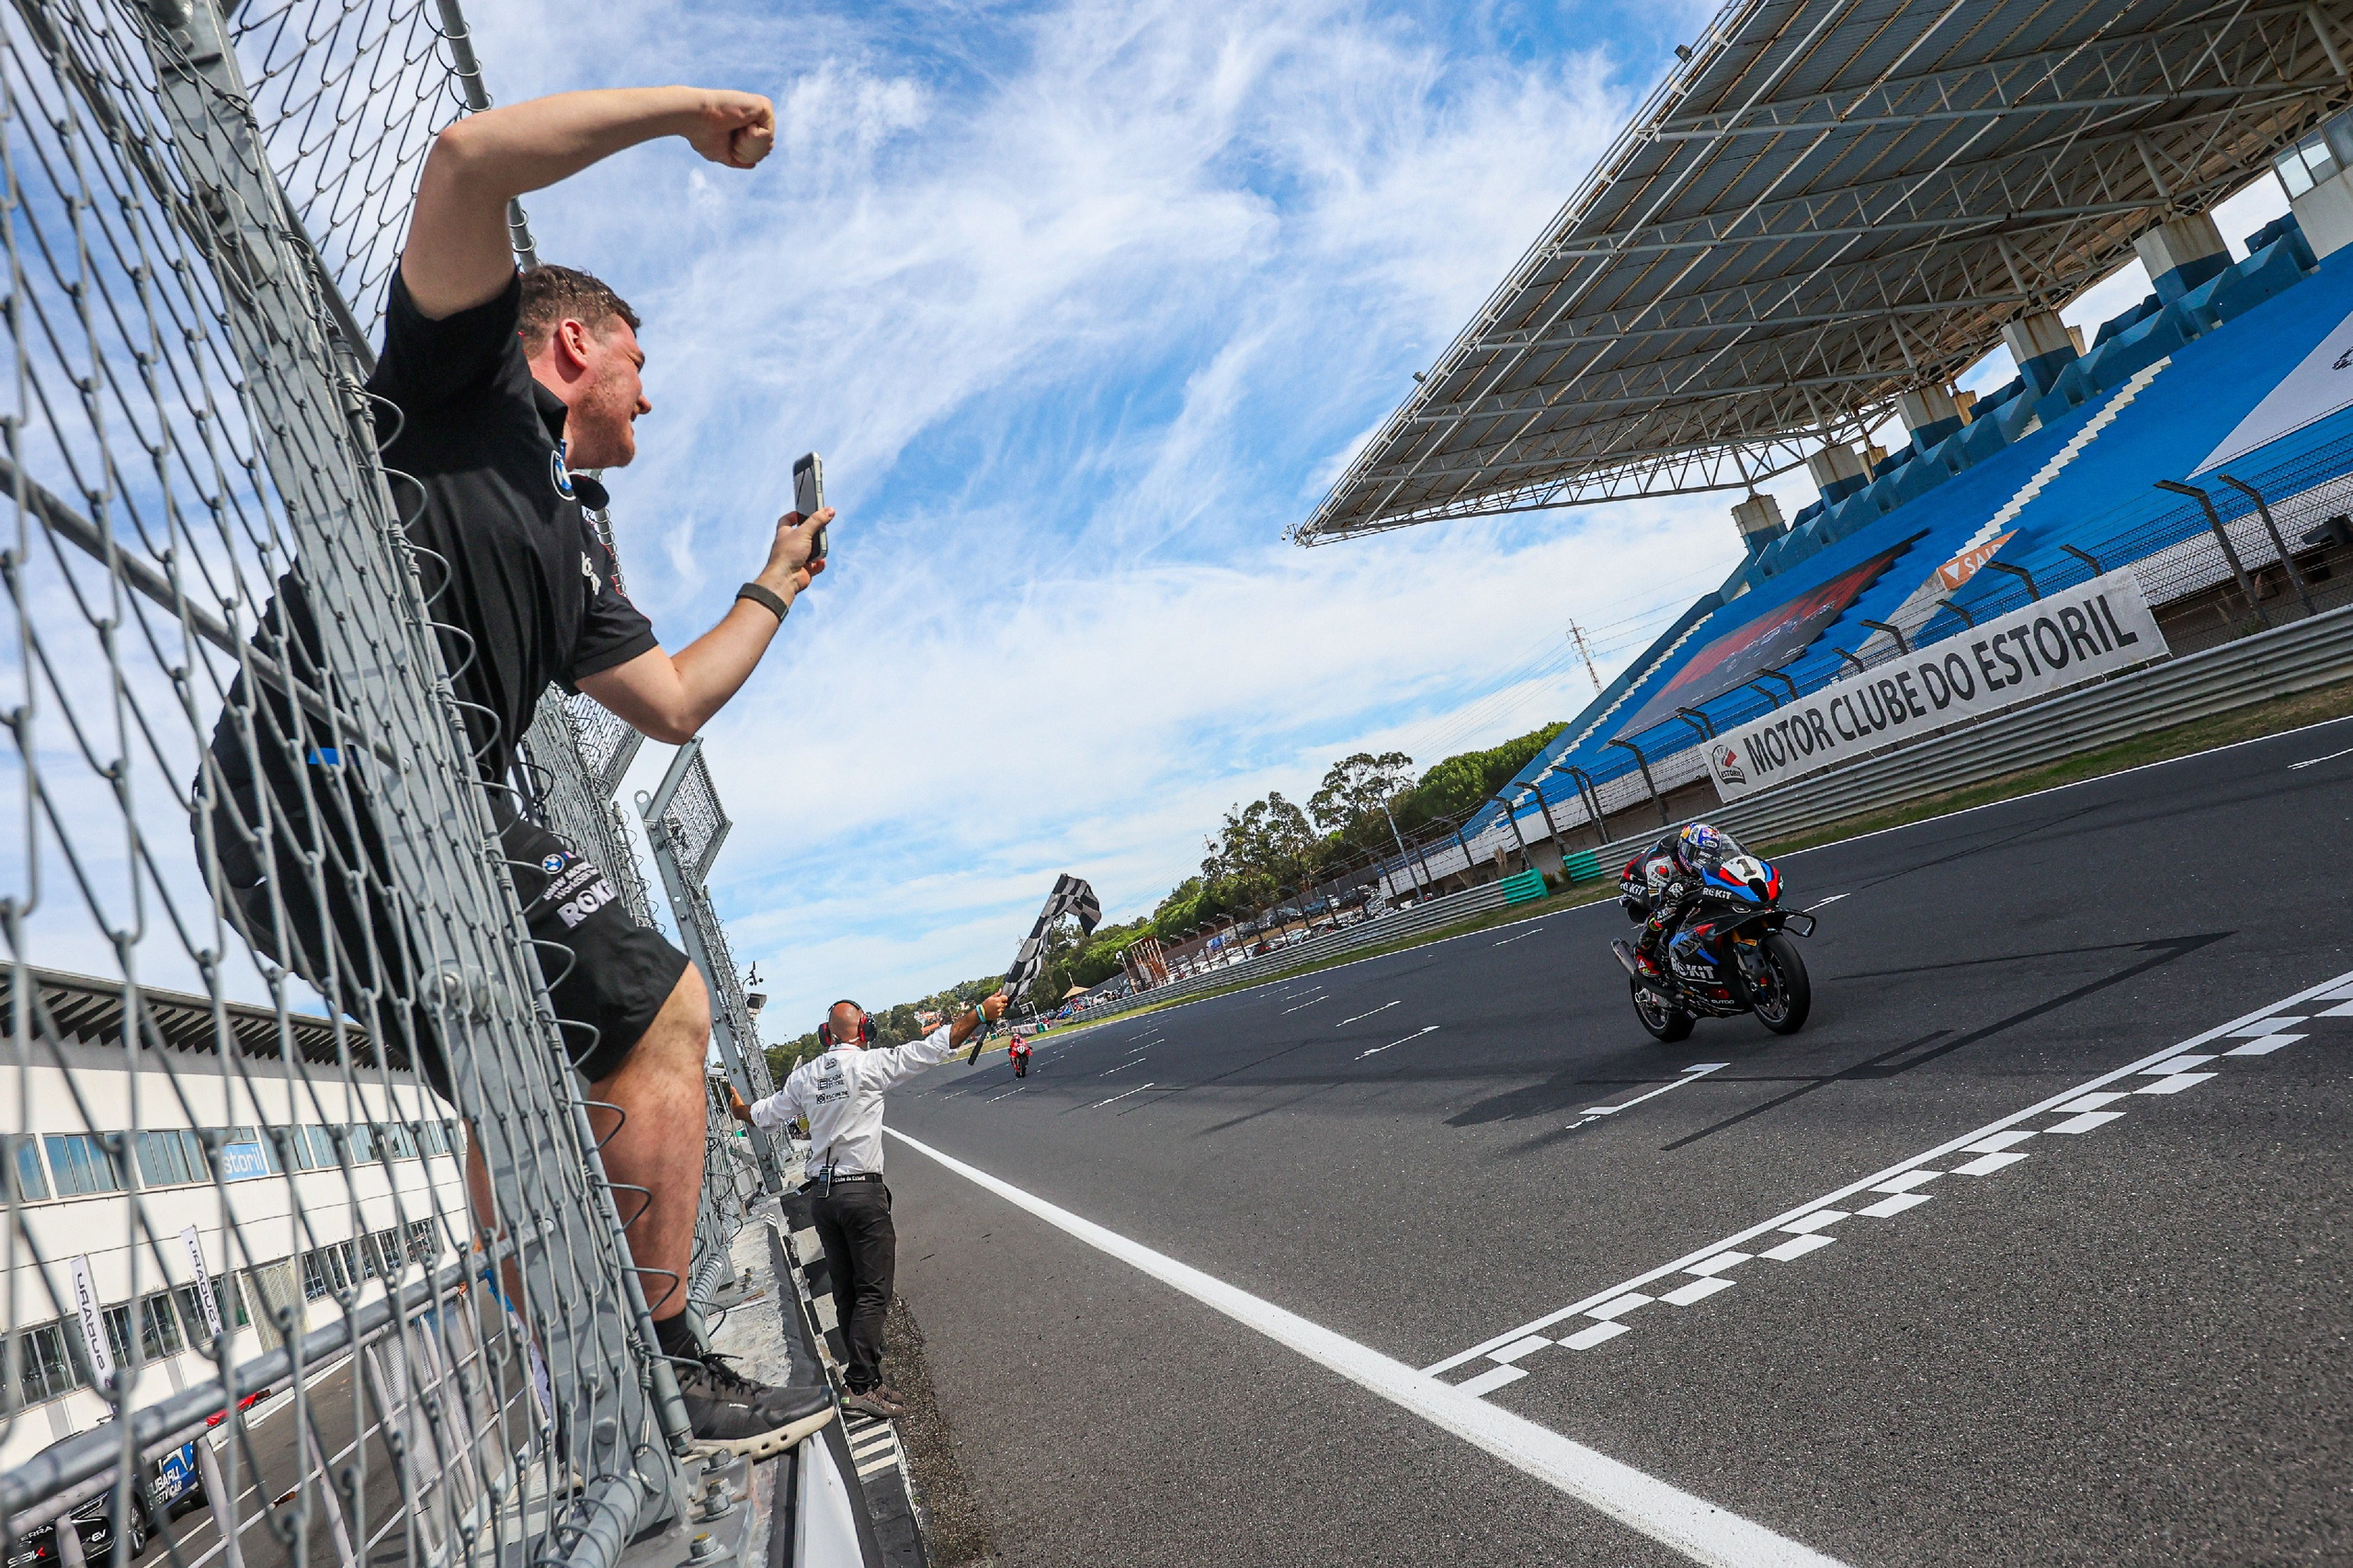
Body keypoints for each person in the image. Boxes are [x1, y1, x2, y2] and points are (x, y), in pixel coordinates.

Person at [193, 86, 835, 1458]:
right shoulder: (463, 384)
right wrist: (688, 116)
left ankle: (587, 1388)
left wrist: (776, 582)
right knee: (663, 1007)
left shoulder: (573, 533)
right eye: (639, 361)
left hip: (410, 804)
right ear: (574, 344)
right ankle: (658, 1373)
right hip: (330, 776)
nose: (652, 391)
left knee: (529, 1075)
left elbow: (671, 703)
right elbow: (468, 157)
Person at [729, 993, 1010, 1419]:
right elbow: (936, 1045)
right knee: (874, 1291)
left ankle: (869, 1379)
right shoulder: (870, 1064)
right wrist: (981, 1014)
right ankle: (859, 1384)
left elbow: (762, 1114)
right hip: (861, 1193)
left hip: (822, 1197)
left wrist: (737, 1107)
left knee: (847, 1292)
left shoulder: (805, 1077)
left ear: (826, 1035)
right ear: (863, 1030)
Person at [1619, 823, 1739, 978]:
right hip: (1638, 881)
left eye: (1708, 854)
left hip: (1678, 879)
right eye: (1697, 854)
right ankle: (1643, 954)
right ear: (1684, 849)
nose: (1703, 859)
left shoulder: (1706, 851)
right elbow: (1659, 904)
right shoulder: (1660, 865)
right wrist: (1673, 895)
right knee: (1667, 911)